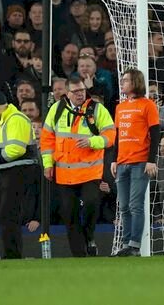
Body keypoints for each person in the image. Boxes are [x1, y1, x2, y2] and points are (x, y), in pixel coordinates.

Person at [40, 75, 115, 257]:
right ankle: (79, 254)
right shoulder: (56, 110)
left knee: (91, 203)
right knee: (69, 213)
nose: (80, 94)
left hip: (90, 171)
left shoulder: (96, 109)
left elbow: (111, 135)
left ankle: (89, 236)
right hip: (64, 173)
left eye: (82, 90)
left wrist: (93, 141)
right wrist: (48, 164)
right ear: (67, 92)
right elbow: (47, 138)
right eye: (76, 91)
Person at [0, 90, 38, 259]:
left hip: (18, 171)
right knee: (7, 214)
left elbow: (17, 149)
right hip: (9, 171)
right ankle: (12, 253)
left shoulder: (16, 119)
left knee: (8, 213)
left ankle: (12, 255)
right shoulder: (5, 121)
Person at [111, 69, 160, 257]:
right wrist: (115, 159)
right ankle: (126, 243)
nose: (122, 83)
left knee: (135, 205)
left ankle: (134, 245)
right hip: (122, 162)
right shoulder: (120, 108)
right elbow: (117, 136)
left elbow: (155, 135)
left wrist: (151, 161)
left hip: (140, 162)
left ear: (135, 83)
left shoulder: (148, 105)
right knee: (123, 206)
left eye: (125, 80)